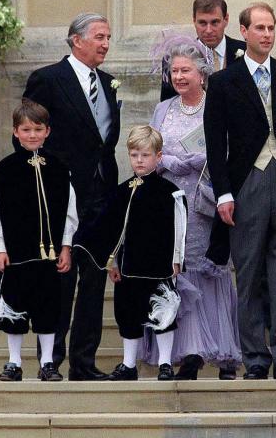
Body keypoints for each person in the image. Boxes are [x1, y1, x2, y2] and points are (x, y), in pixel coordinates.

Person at [203, 2, 276, 380]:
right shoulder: (222, 82)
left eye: (271, 28)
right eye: (260, 28)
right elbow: (215, 144)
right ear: (244, 31)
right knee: (248, 274)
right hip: (245, 182)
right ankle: (254, 358)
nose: (266, 35)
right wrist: (222, 194)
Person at [22, 12, 120, 381]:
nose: (105, 43)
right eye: (99, 36)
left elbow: (104, 143)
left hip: (101, 197)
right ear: (76, 40)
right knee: (59, 282)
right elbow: (28, 136)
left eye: (108, 37)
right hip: (61, 197)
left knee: (93, 282)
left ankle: (84, 362)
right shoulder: (48, 79)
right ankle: (50, 360)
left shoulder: (109, 83)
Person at [139, 38, 242, 380]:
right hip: (171, 199)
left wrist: (199, 159)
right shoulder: (163, 108)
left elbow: (230, 149)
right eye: (174, 71)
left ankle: (223, 355)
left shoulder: (218, 104)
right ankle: (188, 354)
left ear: (203, 73)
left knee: (208, 271)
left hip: (206, 201)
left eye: (186, 70)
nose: (179, 76)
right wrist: (169, 160)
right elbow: (149, 148)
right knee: (178, 271)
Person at [73, 125, 186, 381]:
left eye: (145, 155)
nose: (139, 160)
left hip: (160, 265)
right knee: (127, 313)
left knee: (163, 312)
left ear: (158, 157)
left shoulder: (170, 192)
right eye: (134, 155)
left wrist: (177, 260)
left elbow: (180, 228)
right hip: (129, 265)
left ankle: (165, 363)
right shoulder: (122, 191)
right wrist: (110, 262)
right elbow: (111, 228)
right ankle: (128, 364)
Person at [0, 99, 77, 382]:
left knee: (48, 308)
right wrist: (0, 248)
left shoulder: (58, 168)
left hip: (50, 255)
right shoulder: (4, 170)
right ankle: (14, 361)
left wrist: (66, 246)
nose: (32, 135)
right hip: (17, 255)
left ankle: (47, 363)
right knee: (14, 308)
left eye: (38, 129)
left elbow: (70, 211)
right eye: (26, 129)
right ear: (15, 132)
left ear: (48, 131)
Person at [159, 0, 246, 101]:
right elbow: (168, 104)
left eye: (215, 22)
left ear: (226, 19)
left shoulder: (247, 52)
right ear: (194, 20)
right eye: (202, 23)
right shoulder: (174, 58)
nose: (208, 30)